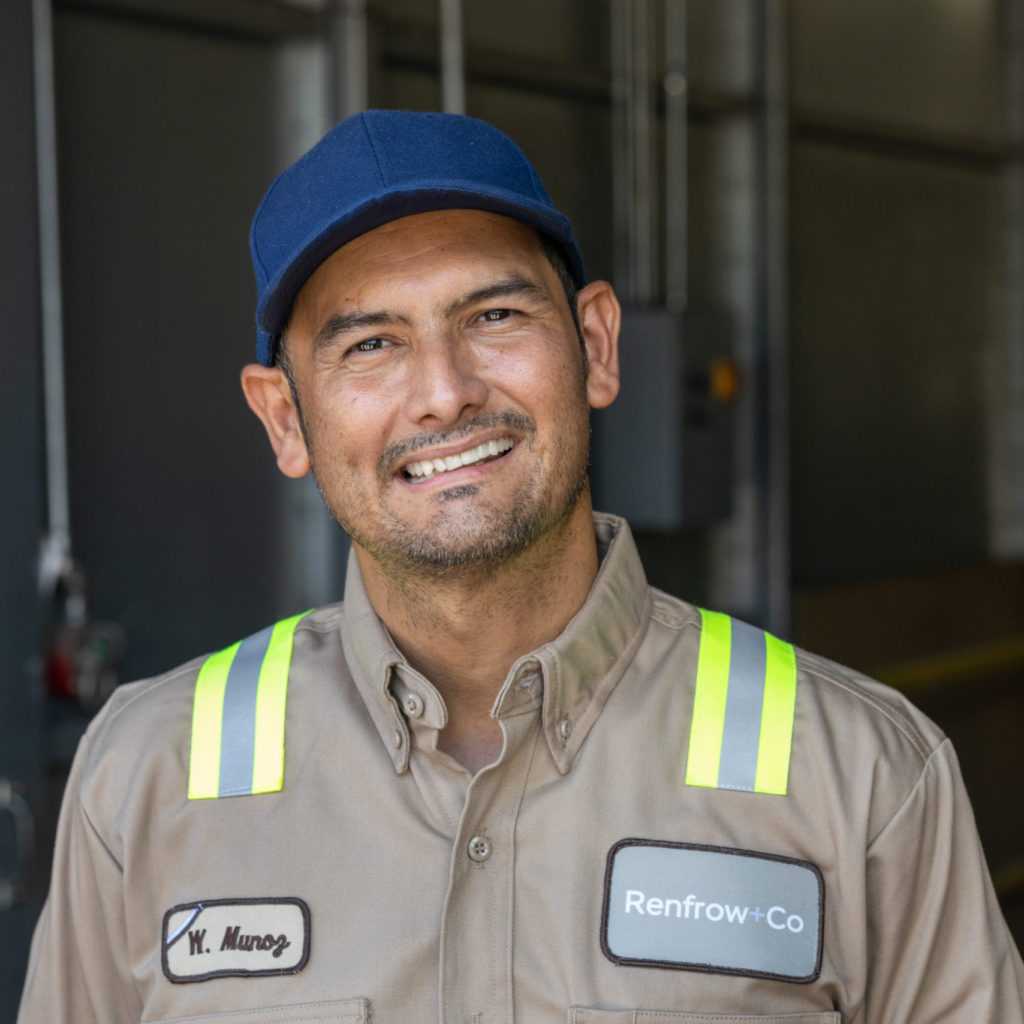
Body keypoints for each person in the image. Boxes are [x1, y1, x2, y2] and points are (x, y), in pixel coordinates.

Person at [18, 109, 1024, 1023]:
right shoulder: (145, 780)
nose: (445, 392)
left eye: (493, 317)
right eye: (370, 344)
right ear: (285, 418)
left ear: (595, 344)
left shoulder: (859, 775)